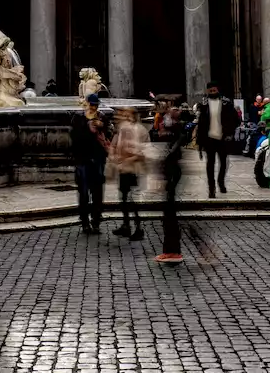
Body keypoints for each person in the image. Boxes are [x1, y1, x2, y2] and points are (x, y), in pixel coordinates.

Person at [70, 93, 110, 233]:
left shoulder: (103, 117)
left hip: (98, 160)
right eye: (92, 104)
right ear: (86, 103)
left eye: (96, 105)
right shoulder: (78, 118)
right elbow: (75, 139)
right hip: (83, 160)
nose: (94, 107)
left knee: (97, 192)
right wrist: (88, 128)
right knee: (84, 192)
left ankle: (96, 221)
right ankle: (85, 221)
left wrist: (102, 127)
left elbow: (107, 137)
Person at [109, 107, 148, 240]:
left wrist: (124, 161)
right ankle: (126, 225)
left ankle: (138, 228)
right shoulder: (123, 128)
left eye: (126, 114)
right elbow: (114, 145)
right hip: (125, 169)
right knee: (125, 198)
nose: (123, 116)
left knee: (131, 199)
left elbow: (141, 152)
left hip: (133, 169)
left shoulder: (138, 130)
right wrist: (114, 156)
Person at [195, 82, 239, 197]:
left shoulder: (226, 103)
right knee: (210, 163)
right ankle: (211, 187)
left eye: (215, 90)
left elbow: (235, 119)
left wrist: (230, 132)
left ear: (218, 90)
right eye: (211, 91)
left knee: (223, 162)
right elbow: (200, 124)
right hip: (209, 139)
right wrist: (199, 142)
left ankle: (221, 181)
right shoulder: (203, 105)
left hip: (222, 138)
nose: (213, 93)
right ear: (208, 91)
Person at [156, 106, 188, 263]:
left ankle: (172, 252)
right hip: (172, 173)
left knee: (170, 214)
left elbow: (171, 156)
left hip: (173, 173)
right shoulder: (174, 138)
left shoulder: (177, 136)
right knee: (169, 213)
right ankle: (171, 251)